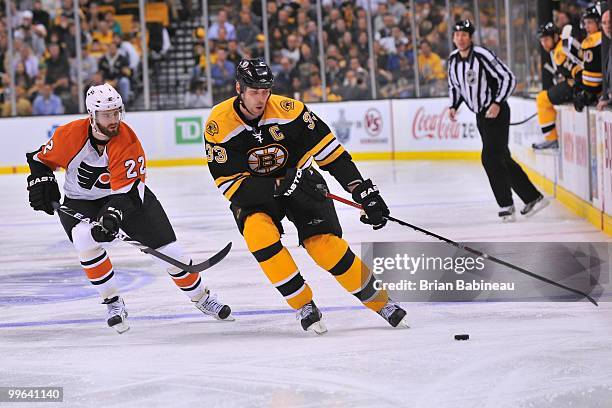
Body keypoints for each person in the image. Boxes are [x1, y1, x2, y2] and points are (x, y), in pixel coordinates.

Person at [203, 58, 408, 334]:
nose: (261, 99)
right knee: (259, 236)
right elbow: (230, 186)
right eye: (254, 92)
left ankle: (380, 302)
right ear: (238, 88)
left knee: (325, 246)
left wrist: (362, 190)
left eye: (266, 91)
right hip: (256, 194)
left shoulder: (291, 112)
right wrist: (277, 185)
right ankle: (303, 304)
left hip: (301, 181)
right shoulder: (219, 124)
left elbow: (332, 155)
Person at [26, 84, 233, 334]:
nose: (114, 120)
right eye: (106, 114)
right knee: (84, 239)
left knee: (172, 252)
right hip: (81, 200)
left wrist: (113, 214)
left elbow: (130, 192)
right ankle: (113, 303)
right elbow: (39, 159)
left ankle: (202, 298)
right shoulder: (69, 135)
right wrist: (42, 181)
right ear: (92, 115)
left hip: (127, 197)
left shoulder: (127, 138)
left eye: (116, 113)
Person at [447, 20, 548, 222]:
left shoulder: (482, 55)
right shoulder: (452, 60)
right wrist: (453, 106)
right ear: (453, 37)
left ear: (471, 37)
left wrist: (497, 102)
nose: (460, 38)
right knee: (501, 157)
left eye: (464, 35)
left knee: (490, 158)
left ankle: (506, 206)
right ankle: (533, 197)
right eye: (457, 35)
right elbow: (455, 86)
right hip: (481, 115)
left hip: (497, 112)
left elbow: (508, 77)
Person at [532, 22, 580, 150]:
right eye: (542, 41)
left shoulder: (560, 51)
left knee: (542, 99)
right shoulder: (559, 47)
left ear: (555, 36)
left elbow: (577, 72)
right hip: (576, 84)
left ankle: (551, 139)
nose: (544, 43)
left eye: (546, 39)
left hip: (576, 86)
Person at [573, 6, 603, 112]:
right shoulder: (592, 39)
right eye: (585, 23)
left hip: (597, 91)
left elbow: (594, 72)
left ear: (599, 23)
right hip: (594, 91)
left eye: (589, 22)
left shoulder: (598, 39)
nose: (586, 26)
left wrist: (588, 93)